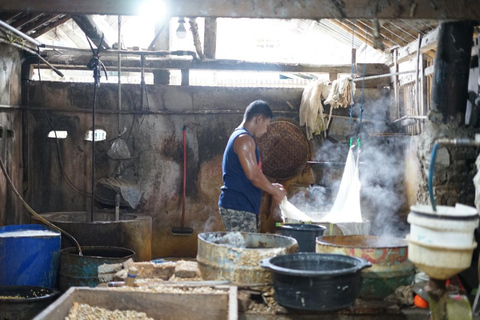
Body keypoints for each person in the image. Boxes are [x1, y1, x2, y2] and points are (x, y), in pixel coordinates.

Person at [218, 100, 286, 232]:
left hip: (242, 206)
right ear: (259, 119)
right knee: (243, 251)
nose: (266, 131)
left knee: (247, 250)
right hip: (238, 207)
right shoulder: (244, 140)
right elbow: (254, 176)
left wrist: (271, 187)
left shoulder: (241, 137)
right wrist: (275, 191)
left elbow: (254, 173)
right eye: (267, 125)